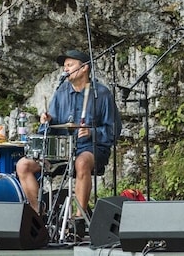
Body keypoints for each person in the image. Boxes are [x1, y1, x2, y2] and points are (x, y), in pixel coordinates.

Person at [16, 50, 120, 223]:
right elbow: (48, 131)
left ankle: (78, 220)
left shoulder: (101, 94)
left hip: (91, 148)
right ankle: (38, 214)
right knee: (23, 165)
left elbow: (114, 130)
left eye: (70, 65)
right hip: (61, 150)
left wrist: (92, 132)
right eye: (64, 66)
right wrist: (46, 121)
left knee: (81, 162)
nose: (65, 69)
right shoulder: (60, 93)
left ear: (85, 68)